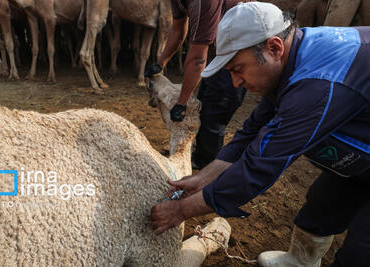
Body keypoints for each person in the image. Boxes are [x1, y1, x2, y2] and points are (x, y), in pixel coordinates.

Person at [149, 2, 370, 266]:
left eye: (238, 69)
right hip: (360, 150)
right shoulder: (297, 59)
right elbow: (251, 130)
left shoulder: (316, 86)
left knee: (360, 253)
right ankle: (300, 261)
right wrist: (204, 178)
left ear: (274, 48)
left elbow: (257, 170)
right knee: (321, 208)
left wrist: (180, 211)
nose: (235, 82)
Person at [144, 0, 250, 170]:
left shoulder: (204, 2)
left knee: (214, 115)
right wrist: (161, 63)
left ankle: (209, 170)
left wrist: (181, 103)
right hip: (218, 55)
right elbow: (178, 30)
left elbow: (198, 59)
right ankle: (200, 158)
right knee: (205, 105)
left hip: (239, 55)